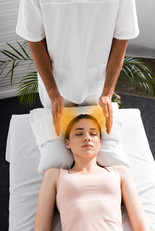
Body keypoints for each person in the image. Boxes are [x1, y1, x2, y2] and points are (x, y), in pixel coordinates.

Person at [16, 0, 140, 136]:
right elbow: (34, 39)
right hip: (56, 83)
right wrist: (52, 92)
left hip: (98, 84)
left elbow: (122, 37)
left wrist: (107, 92)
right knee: (60, 133)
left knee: (96, 134)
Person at [33, 114, 153, 231]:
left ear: (100, 143)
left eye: (93, 133)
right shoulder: (55, 175)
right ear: (67, 143)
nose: (87, 138)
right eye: (79, 134)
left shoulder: (119, 172)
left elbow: (141, 227)